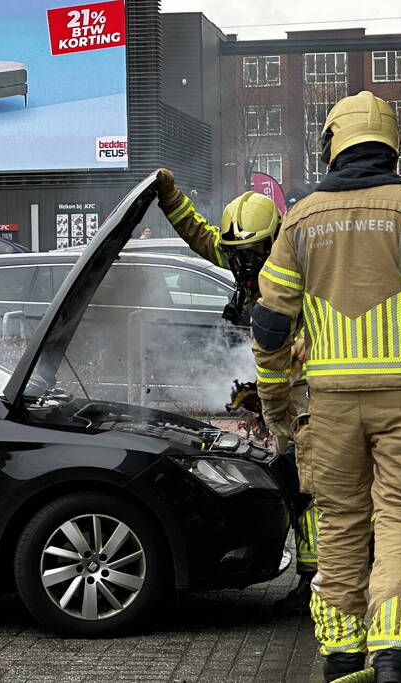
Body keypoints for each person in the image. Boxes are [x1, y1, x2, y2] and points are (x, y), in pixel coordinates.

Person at [252, 91, 401, 683]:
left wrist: (277, 405)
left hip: (328, 407)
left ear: (332, 144)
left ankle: (340, 656)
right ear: (390, 146)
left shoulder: (300, 218)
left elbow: (272, 325)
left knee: (339, 522)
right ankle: (392, 655)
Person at [155, 168, 318, 613]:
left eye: (251, 253)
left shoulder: (301, 267)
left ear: (273, 240)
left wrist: (284, 379)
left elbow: (314, 335)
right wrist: (170, 197)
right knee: (297, 484)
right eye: (237, 254)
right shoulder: (243, 258)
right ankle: (315, 576)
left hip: (311, 394)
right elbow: (199, 235)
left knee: (310, 487)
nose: (243, 264)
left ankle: (319, 579)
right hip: (282, 390)